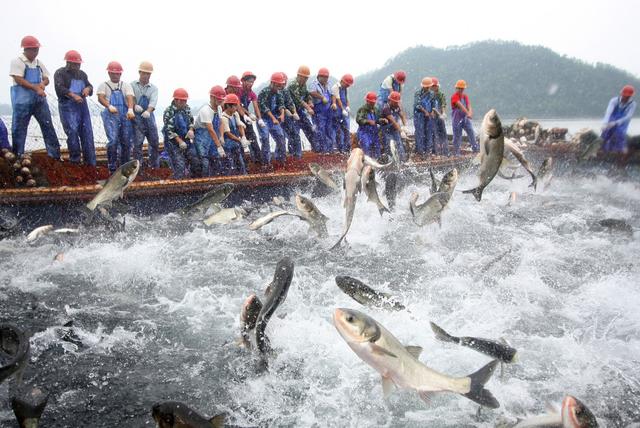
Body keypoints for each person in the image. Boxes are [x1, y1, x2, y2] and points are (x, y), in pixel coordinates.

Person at [9, 35, 60, 159]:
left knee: (48, 126)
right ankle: (18, 156)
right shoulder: (17, 62)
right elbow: (18, 79)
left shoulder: (38, 63)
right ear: (25, 49)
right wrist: (36, 88)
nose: (35, 52)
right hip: (22, 103)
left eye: (36, 49)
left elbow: (46, 77)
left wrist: (42, 84)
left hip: (39, 102)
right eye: (32, 49)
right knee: (19, 129)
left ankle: (54, 156)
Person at [53, 50, 95, 166]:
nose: (77, 66)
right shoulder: (60, 73)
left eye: (78, 64)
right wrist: (73, 95)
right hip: (68, 107)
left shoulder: (82, 74)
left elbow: (90, 86)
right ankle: (75, 161)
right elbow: (59, 89)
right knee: (72, 132)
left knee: (87, 133)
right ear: (68, 63)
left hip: (82, 107)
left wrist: (88, 89)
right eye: (75, 64)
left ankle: (90, 163)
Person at [97, 61, 135, 172]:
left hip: (125, 116)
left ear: (120, 74)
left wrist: (130, 109)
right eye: (113, 73)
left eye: (118, 73)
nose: (115, 75)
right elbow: (101, 97)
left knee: (126, 142)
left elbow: (129, 97)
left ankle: (125, 167)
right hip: (111, 116)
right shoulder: (104, 86)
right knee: (113, 141)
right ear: (109, 73)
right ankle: (112, 167)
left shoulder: (125, 85)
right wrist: (109, 106)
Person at [162, 88, 200, 178]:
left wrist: (191, 129)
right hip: (173, 143)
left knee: (196, 162)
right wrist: (179, 141)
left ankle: (194, 182)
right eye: (182, 101)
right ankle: (177, 185)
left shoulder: (186, 109)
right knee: (180, 166)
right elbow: (169, 130)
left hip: (186, 140)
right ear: (176, 100)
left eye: (185, 100)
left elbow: (191, 121)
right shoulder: (169, 112)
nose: (184, 102)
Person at [131, 61, 160, 169]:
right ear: (140, 72)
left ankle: (154, 167)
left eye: (148, 74)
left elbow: (153, 102)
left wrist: (148, 111)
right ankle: (138, 167)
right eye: (144, 73)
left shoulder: (154, 88)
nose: (146, 76)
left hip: (149, 118)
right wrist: (134, 106)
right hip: (136, 119)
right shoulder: (132, 85)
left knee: (154, 143)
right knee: (137, 144)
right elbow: (130, 98)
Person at [194, 86, 226, 176]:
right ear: (212, 97)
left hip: (212, 139)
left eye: (221, 99)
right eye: (218, 99)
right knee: (204, 162)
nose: (220, 101)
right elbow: (210, 129)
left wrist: (221, 136)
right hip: (201, 137)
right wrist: (219, 146)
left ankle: (215, 180)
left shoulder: (219, 108)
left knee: (216, 160)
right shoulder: (205, 110)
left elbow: (221, 123)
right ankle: (203, 185)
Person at [257, 72, 287, 167]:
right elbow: (264, 107)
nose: (279, 88)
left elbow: (281, 104)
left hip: (274, 119)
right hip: (264, 119)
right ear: (272, 83)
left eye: (280, 86)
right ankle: (266, 163)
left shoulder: (279, 93)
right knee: (265, 138)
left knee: (281, 137)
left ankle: (280, 160)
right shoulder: (264, 92)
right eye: (277, 85)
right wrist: (273, 118)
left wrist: (282, 115)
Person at [287, 65, 316, 151]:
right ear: (299, 76)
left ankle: (316, 150)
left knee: (310, 128)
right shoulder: (293, 85)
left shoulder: (304, 85)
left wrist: (310, 101)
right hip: (292, 112)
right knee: (294, 132)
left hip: (300, 111)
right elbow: (298, 99)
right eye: (304, 78)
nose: (305, 80)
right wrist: (308, 108)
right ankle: (293, 153)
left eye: (306, 78)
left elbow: (307, 95)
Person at [601, 85, 637, 153]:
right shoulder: (614, 100)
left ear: (630, 96)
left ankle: (618, 152)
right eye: (625, 95)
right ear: (622, 94)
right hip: (611, 119)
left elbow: (628, 116)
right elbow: (608, 112)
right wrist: (605, 123)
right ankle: (603, 151)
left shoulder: (632, 104)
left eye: (628, 96)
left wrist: (616, 123)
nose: (626, 97)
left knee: (619, 134)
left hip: (623, 121)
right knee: (606, 133)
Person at [220, 93, 249, 175]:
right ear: (228, 106)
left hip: (235, 144)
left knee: (240, 162)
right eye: (235, 106)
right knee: (229, 164)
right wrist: (240, 140)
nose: (236, 108)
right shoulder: (223, 117)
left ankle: (243, 177)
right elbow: (228, 134)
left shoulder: (235, 114)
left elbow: (239, 125)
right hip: (227, 145)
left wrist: (243, 137)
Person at [238, 71, 263, 164]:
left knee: (253, 139)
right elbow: (238, 105)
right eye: (249, 81)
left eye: (252, 82)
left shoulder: (252, 94)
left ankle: (258, 162)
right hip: (236, 118)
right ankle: (242, 165)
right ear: (243, 81)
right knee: (240, 142)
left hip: (246, 119)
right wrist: (246, 114)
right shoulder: (238, 91)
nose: (251, 84)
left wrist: (259, 119)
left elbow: (256, 107)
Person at [356, 92, 387, 159]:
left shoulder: (376, 109)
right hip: (364, 133)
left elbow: (378, 120)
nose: (372, 104)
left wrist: (383, 120)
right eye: (371, 102)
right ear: (367, 101)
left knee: (377, 148)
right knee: (366, 147)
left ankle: (377, 162)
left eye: (373, 102)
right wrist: (368, 121)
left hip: (374, 133)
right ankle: (366, 163)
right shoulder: (362, 109)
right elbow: (358, 120)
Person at [309, 67, 333, 153]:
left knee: (329, 129)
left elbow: (332, 94)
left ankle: (329, 149)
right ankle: (320, 150)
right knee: (319, 130)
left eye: (326, 77)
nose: (325, 79)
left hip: (328, 111)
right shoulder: (314, 84)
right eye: (323, 77)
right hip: (318, 111)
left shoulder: (328, 84)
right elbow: (311, 92)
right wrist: (322, 97)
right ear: (319, 77)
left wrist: (333, 103)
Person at [451, 79, 477, 155]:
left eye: (462, 88)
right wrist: (468, 113)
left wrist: (470, 113)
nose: (461, 90)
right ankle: (457, 153)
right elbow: (460, 105)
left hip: (465, 118)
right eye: (459, 88)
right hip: (457, 118)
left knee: (471, 132)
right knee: (457, 136)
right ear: (456, 88)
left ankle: (475, 149)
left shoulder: (465, 97)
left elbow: (469, 105)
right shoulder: (454, 97)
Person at [380, 91, 409, 161]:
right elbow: (393, 121)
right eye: (395, 102)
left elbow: (402, 116)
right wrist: (401, 131)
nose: (397, 103)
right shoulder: (386, 109)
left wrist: (405, 126)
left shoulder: (397, 106)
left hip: (395, 130)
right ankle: (390, 161)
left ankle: (403, 160)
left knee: (399, 144)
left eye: (397, 102)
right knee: (390, 145)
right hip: (387, 130)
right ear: (390, 101)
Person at [280, 73, 303, 159]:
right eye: (282, 82)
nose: (284, 84)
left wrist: (294, 112)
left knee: (294, 134)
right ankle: (281, 157)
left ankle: (297, 155)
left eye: (285, 82)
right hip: (277, 117)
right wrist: (285, 110)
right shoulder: (273, 91)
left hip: (288, 117)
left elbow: (290, 103)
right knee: (280, 137)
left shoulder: (285, 91)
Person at [331, 74, 354, 154]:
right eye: (347, 84)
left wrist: (347, 106)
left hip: (344, 112)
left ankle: (347, 149)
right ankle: (339, 150)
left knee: (346, 130)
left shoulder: (345, 89)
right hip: (337, 112)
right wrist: (343, 109)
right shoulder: (336, 87)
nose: (347, 86)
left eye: (349, 85)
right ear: (343, 81)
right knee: (338, 131)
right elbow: (338, 99)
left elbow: (346, 98)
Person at [413, 77, 433, 156]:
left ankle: (428, 151)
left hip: (428, 116)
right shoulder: (418, 93)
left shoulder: (431, 94)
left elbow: (433, 105)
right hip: (419, 115)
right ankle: (420, 152)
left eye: (429, 87)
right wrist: (425, 112)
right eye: (426, 87)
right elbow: (417, 105)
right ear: (423, 86)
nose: (428, 88)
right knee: (420, 133)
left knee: (428, 132)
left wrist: (431, 112)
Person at [430, 77, 448, 156]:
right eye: (432, 86)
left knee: (443, 134)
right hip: (433, 118)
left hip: (440, 117)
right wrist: (433, 112)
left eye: (435, 86)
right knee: (434, 134)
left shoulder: (441, 95)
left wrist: (443, 113)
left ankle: (445, 152)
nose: (434, 88)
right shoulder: (430, 96)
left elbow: (443, 104)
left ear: (437, 86)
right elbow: (431, 107)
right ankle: (436, 152)